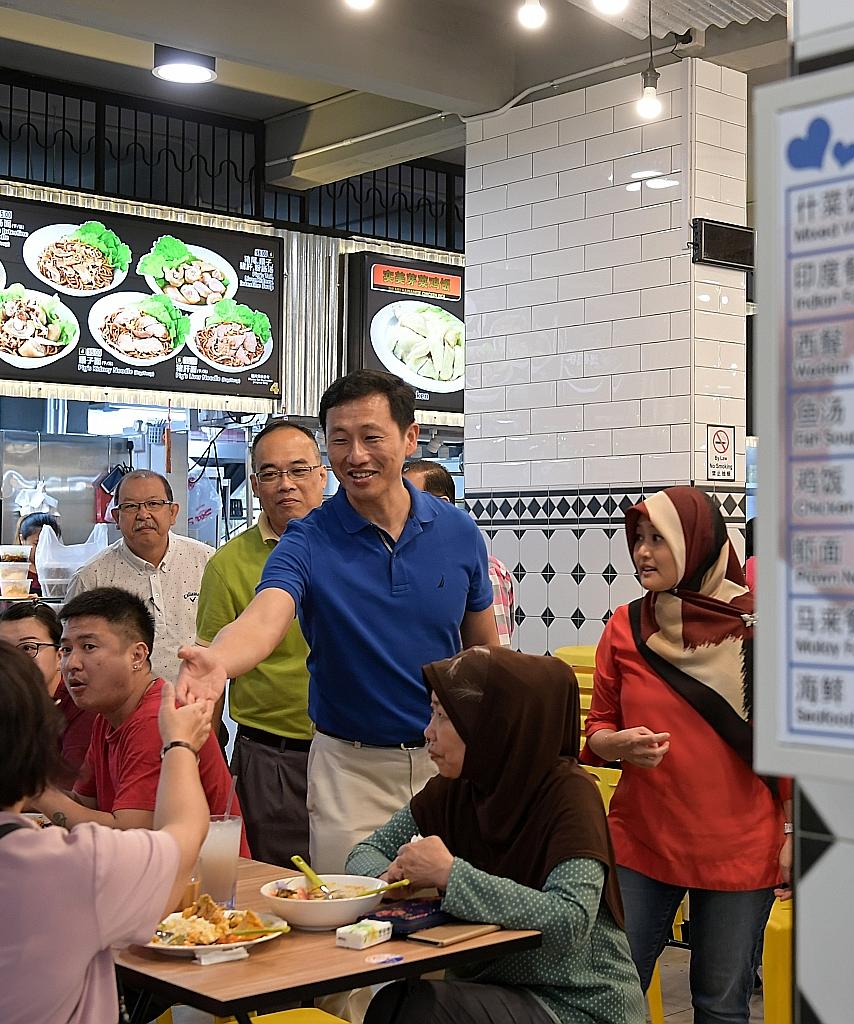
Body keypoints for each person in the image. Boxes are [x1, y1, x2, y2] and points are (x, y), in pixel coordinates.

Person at [177, 370, 498, 874]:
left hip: (446, 764)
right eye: (340, 441)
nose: (355, 455)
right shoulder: (307, 538)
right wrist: (217, 660)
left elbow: (483, 650)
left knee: (446, 921)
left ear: (409, 437)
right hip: (349, 768)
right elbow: (264, 619)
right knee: (350, 922)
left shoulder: (457, 530)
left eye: (372, 437)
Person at [0, 638, 213, 1024]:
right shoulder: (72, 868)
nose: (73, 664)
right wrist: (180, 743)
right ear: (33, 749)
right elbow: (184, 833)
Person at [583, 486, 789, 1024]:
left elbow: (787, 747)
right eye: (638, 539)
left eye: (658, 539)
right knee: (611, 993)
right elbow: (596, 729)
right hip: (643, 840)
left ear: (696, 543)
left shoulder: (758, 628)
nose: (643, 553)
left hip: (740, 845)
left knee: (721, 1006)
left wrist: (794, 834)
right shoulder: (625, 627)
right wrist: (611, 745)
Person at [353, 647, 644, 1024]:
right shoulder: (455, 788)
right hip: (489, 990)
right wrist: (385, 882)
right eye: (432, 712)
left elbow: (570, 919)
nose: (428, 732)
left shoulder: (569, 794)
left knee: (419, 1011)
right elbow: (369, 848)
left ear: (491, 726)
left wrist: (450, 875)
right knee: (393, 1004)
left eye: (443, 716)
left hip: (575, 1003)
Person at [196, 419, 327, 866]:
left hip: (357, 752)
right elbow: (210, 670)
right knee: (277, 883)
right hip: (270, 758)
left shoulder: (358, 547)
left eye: (299, 470)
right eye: (270, 473)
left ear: (322, 475)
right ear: (254, 484)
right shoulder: (226, 565)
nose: (285, 484)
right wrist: (203, 762)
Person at [27, 587, 246, 854]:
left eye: (89, 647)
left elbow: (129, 834)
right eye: (66, 649)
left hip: (205, 885)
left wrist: (36, 790)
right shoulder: (108, 716)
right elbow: (84, 805)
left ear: (137, 656)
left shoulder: (156, 719)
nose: (72, 663)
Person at [66, 470, 213, 685]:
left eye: (154, 504)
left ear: (173, 512)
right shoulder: (91, 578)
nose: (143, 514)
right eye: (131, 506)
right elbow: (72, 653)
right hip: (122, 711)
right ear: (116, 517)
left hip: (198, 703)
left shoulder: (207, 562)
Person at [404, 458, 516, 649]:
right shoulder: (411, 566)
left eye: (410, 499)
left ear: (442, 504)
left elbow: (494, 655)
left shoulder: (487, 571)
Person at [0, 601, 96, 776]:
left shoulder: (82, 706)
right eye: (1, 651)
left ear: (60, 656)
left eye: (28, 648)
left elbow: (69, 786)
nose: (13, 660)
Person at [18, 511, 63, 594]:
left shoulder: (60, 571)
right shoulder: (13, 570)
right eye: (37, 543)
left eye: (49, 544)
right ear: (22, 540)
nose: (43, 549)